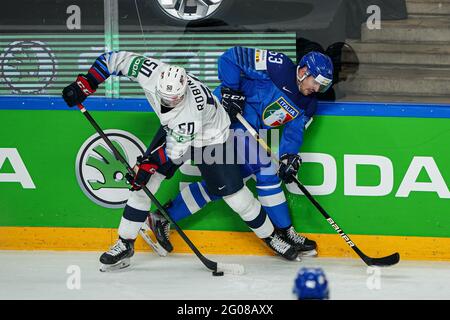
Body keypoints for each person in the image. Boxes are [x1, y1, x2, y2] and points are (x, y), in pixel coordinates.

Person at [62, 51, 299, 271]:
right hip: (173, 130)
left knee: (236, 197)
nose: (167, 104)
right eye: (165, 99)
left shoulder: (187, 114)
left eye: (173, 100)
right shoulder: (152, 71)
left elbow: (175, 152)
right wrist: (88, 82)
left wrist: (146, 165)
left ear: (182, 93)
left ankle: (271, 237)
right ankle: (125, 243)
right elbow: (113, 59)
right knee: (143, 186)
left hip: (213, 136)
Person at [147, 47, 334, 257]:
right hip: (220, 119)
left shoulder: (308, 104)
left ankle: (162, 216)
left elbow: (294, 132)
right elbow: (231, 57)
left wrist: (288, 156)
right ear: (303, 71)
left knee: (224, 185)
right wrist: (231, 90)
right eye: (316, 82)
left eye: (322, 86)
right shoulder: (277, 65)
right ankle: (283, 232)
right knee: (266, 170)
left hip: (243, 131)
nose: (317, 88)